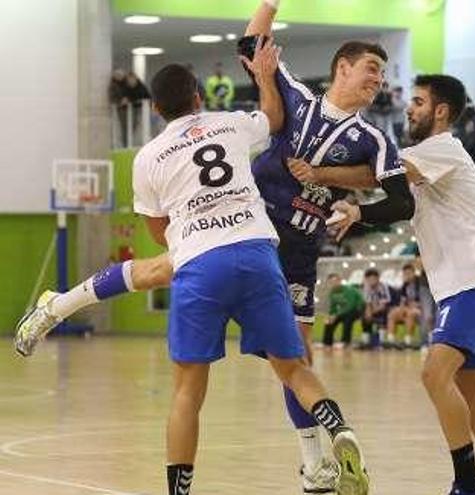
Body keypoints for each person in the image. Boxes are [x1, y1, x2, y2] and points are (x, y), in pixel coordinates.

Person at [16, 1, 415, 491]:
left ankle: (314, 463)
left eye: (383, 72)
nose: (379, 79)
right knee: (160, 277)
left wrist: (335, 183)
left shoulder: (373, 138)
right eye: (371, 68)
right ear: (343, 67)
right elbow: (253, 51)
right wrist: (269, 8)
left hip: (292, 248)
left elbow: (397, 195)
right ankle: (56, 306)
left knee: (288, 359)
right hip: (254, 227)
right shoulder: (289, 102)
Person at [132, 60, 369, 494]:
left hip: (201, 264)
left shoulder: (148, 157)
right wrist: (264, 78)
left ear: (155, 109)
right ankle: (339, 430)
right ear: (199, 96)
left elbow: (157, 230)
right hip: (259, 252)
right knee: (293, 368)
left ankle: (178, 491)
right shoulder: (229, 124)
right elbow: (275, 118)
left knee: (188, 391)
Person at [323, 73, 475, 495]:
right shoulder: (428, 158)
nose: (410, 107)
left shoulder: (441, 149)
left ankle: (468, 485)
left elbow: (378, 176)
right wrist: (358, 214)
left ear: (441, 112)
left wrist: (321, 171)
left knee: (433, 375)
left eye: (419, 102)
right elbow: (392, 198)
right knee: (472, 403)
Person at [385, 263, 423, 349]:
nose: (407, 276)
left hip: (420, 309)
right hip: (408, 308)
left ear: (414, 273)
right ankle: (391, 340)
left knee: (410, 314)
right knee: (392, 314)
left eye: (409, 273)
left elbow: (426, 301)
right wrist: (401, 309)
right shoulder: (405, 285)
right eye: (405, 274)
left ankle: (408, 340)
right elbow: (402, 301)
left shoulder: (421, 283)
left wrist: (414, 305)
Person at [323, 273, 364, 348]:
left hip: (357, 309)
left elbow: (350, 306)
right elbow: (333, 307)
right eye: (331, 282)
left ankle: (345, 342)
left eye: (335, 281)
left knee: (348, 319)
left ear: (340, 281)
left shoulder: (349, 290)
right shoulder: (332, 293)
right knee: (329, 322)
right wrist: (330, 316)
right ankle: (327, 343)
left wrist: (336, 315)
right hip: (343, 312)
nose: (333, 284)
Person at [361, 268, 392, 348]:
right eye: (369, 279)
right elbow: (367, 303)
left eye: (374, 278)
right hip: (373, 307)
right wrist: (368, 313)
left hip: (384, 307)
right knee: (364, 316)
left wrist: (372, 312)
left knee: (383, 313)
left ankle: (382, 340)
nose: (371, 281)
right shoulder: (366, 287)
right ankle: (366, 340)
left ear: (378, 278)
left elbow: (383, 305)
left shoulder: (383, 286)